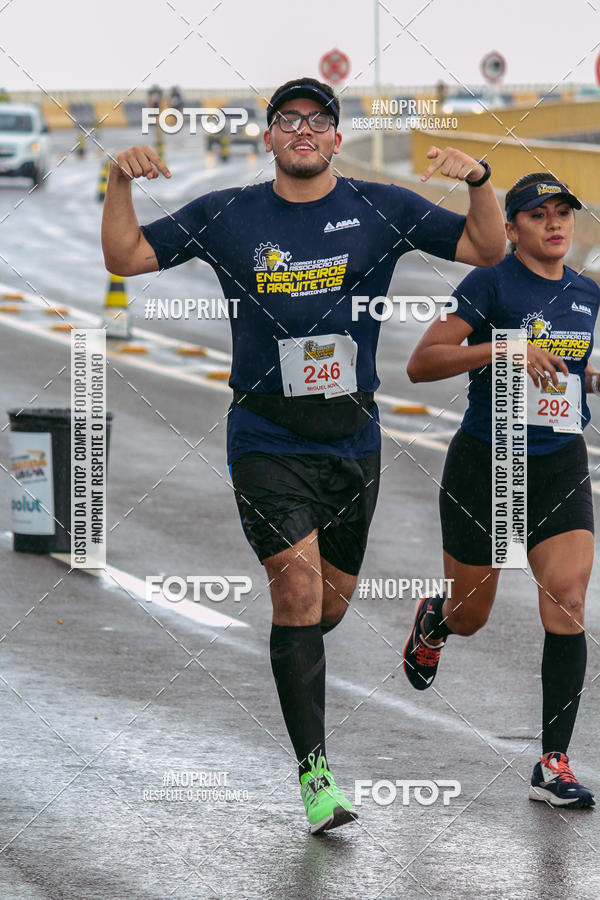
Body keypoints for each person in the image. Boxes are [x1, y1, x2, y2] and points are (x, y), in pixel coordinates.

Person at [102, 76, 506, 833]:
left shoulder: (377, 208)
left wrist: (480, 180)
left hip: (353, 440)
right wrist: (118, 179)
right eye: (287, 119)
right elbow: (125, 255)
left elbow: (487, 245)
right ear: (269, 138)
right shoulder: (230, 213)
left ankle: (306, 656)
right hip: (264, 436)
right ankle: (317, 776)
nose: (302, 130)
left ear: (335, 137)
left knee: (328, 606)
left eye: (317, 120)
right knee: (294, 591)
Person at [404, 172, 598, 808]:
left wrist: (590, 381)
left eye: (563, 212)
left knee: (567, 599)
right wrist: (504, 350)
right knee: (472, 616)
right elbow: (422, 362)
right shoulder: (488, 283)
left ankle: (553, 761)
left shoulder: (587, 293)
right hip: (486, 462)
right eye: (537, 214)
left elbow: (574, 374)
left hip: (558, 460)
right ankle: (435, 621)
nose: (554, 223)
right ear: (511, 229)